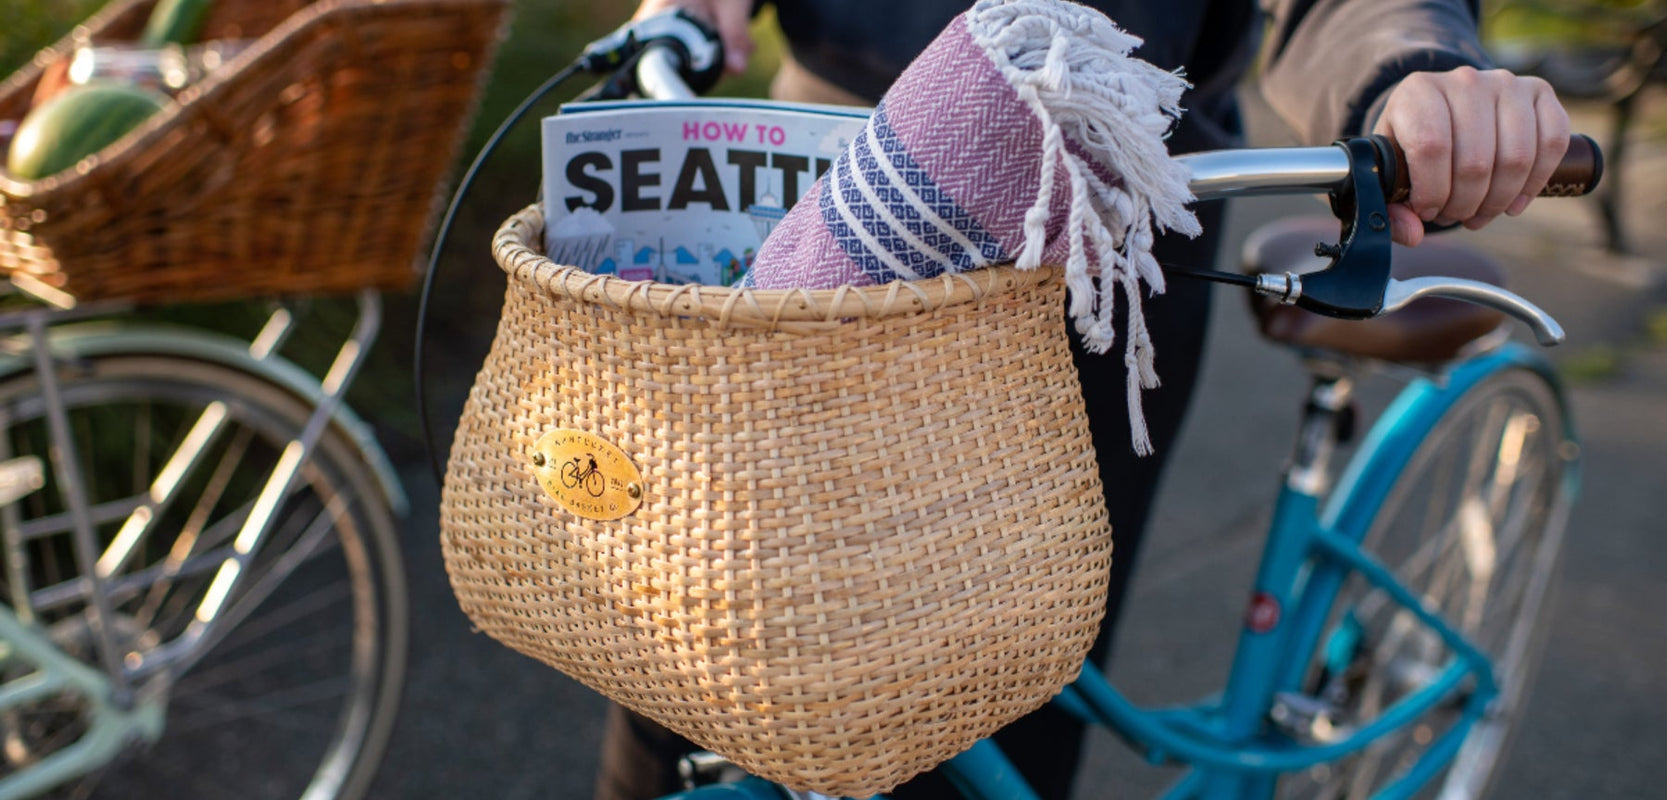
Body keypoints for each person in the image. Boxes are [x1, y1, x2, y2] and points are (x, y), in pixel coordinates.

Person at [594, 1, 1573, 799]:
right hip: (812, 192)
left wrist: (1411, 71)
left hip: (1092, 251)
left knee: (978, 723)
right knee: (688, 660)